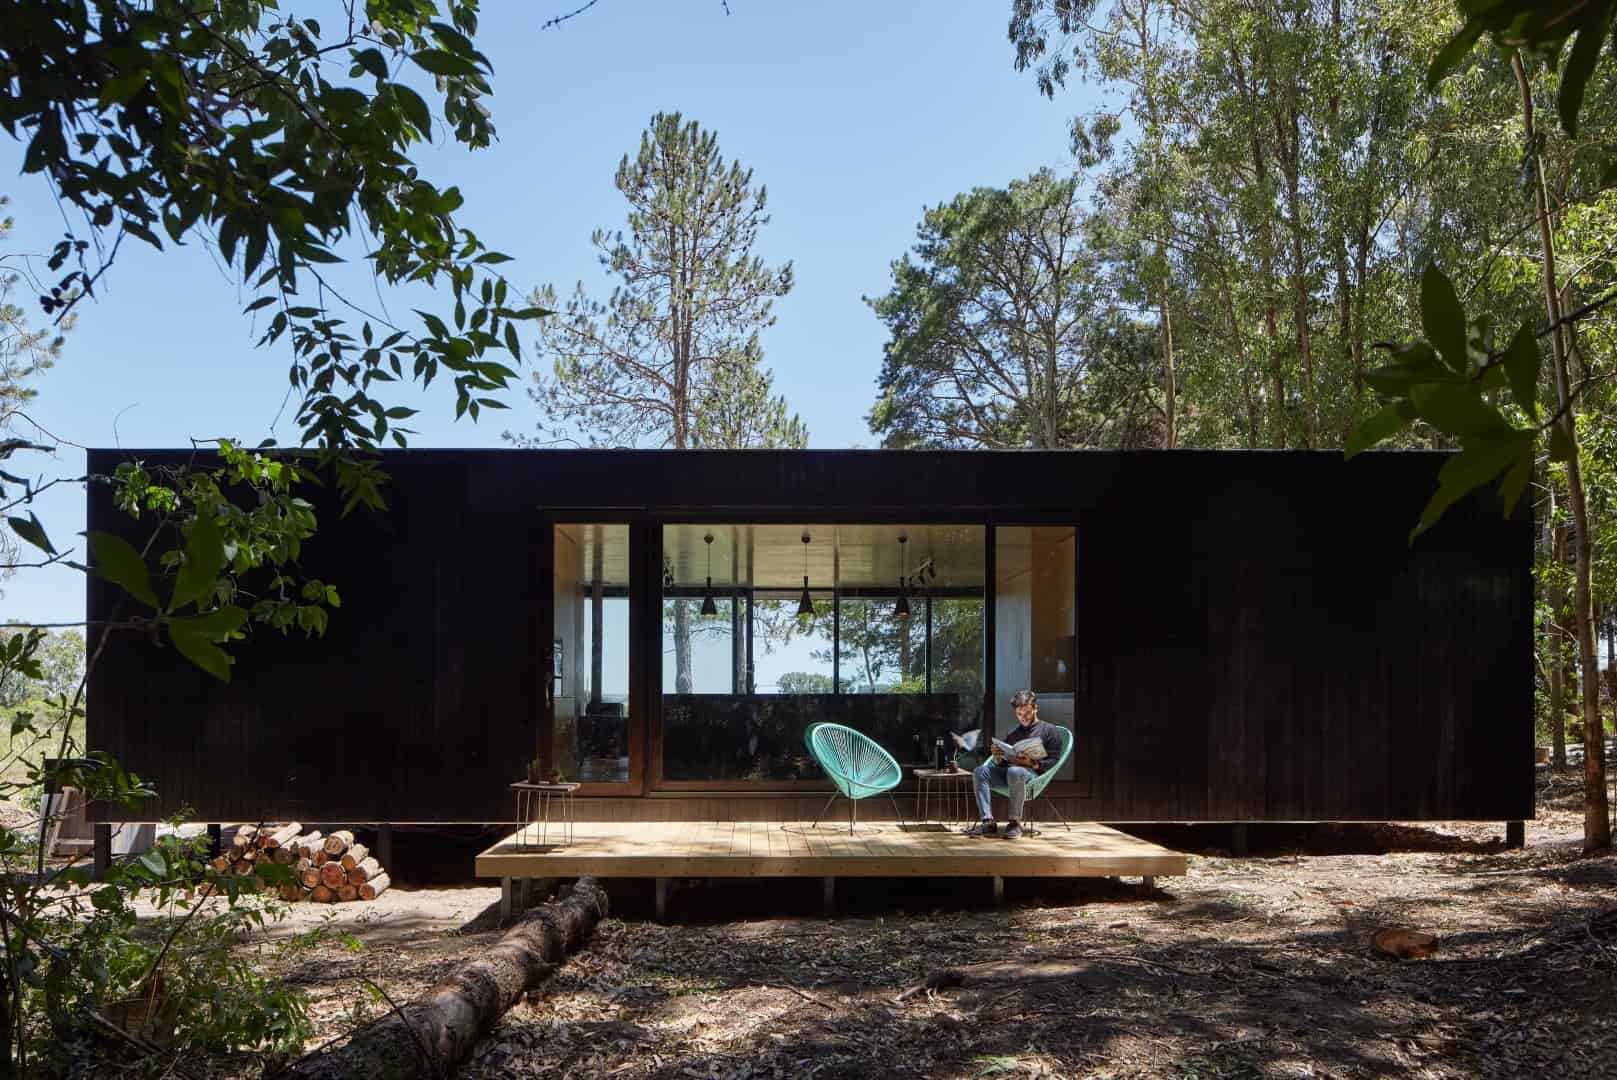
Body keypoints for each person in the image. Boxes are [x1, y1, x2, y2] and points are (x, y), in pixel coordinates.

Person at [966, 689, 1062, 839]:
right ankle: (987, 822)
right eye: (1019, 714)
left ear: (1035, 708)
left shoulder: (1050, 731)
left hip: (1033, 775)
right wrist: (997, 756)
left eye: (1027, 713)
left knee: (1015, 771)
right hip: (1011, 773)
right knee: (980, 771)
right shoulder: (1015, 734)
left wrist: (1032, 763)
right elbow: (1001, 764)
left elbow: (1054, 761)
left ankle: (1015, 823)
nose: (1023, 718)